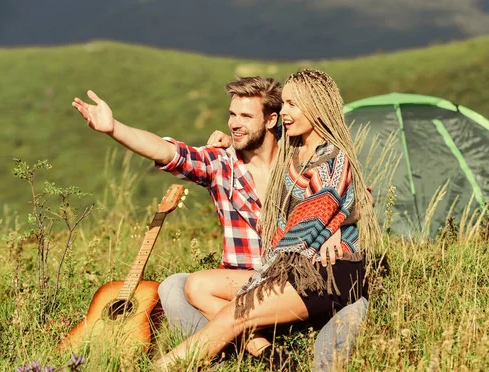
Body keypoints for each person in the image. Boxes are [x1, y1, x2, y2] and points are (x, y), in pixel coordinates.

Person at [71, 75, 370, 369]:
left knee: (350, 310)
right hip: (251, 280)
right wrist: (113, 128)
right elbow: (168, 152)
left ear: (270, 120)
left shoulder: (295, 152)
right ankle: (262, 352)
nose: (234, 124)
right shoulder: (221, 164)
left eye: (245, 116)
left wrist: (337, 227)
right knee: (178, 286)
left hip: (303, 276)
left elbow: (350, 195)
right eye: (231, 115)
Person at [151, 69, 381, 369]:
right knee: (195, 286)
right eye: (283, 103)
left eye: (291, 105)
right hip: (294, 270)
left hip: (321, 274)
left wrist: (336, 223)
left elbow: (323, 213)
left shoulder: (328, 158)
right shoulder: (295, 150)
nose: (283, 111)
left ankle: (164, 367)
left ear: (316, 107)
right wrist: (231, 144)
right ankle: (271, 355)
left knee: (233, 317)